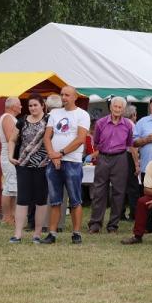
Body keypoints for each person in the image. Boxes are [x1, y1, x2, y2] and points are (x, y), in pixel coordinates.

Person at [39, 87, 90, 244]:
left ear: (75, 97)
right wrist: (52, 154)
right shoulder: (54, 113)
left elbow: (80, 139)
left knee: (75, 199)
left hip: (72, 161)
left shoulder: (82, 114)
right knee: (55, 200)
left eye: (67, 95)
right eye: (62, 94)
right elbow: (47, 137)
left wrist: (59, 153)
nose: (64, 97)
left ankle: (76, 233)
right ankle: (52, 233)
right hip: (54, 161)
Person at [7, 94, 50, 243]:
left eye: (35, 105)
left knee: (41, 200)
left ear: (42, 105)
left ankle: (37, 234)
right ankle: (17, 234)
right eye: (30, 105)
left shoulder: (49, 120)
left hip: (43, 165)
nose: (32, 108)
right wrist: (10, 156)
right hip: (23, 165)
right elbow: (12, 140)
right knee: (22, 199)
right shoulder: (22, 121)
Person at [88, 97, 134, 234]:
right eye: (115, 106)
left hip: (120, 157)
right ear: (110, 107)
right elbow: (96, 141)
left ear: (123, 109)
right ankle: (95, 224)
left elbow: (129, 142)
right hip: (103, 157)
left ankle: (113, 225)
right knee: (99, 191)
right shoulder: (101, 123)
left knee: (119, 192)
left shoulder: (128, 124)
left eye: (120, 107)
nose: (117, 109)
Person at [0, 96, 20, 225]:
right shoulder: (7, 117)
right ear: (13, 106)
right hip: (9, 154)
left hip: (12, 154)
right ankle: (7, 217)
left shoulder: (11, 118)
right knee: (9, 186)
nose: (21, 106)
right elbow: (10, 138)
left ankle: (12, 216)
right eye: (19, 104)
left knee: (13, 186)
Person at [122, 103, 141, 221]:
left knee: (121, 186)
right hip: (129, 156)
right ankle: (134, 213)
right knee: (133, 186)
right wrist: (136, 164)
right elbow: (133, 146)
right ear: (133, 114)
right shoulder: (131, 125)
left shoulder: (121, 123)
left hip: (119, 156)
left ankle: (120, 212)